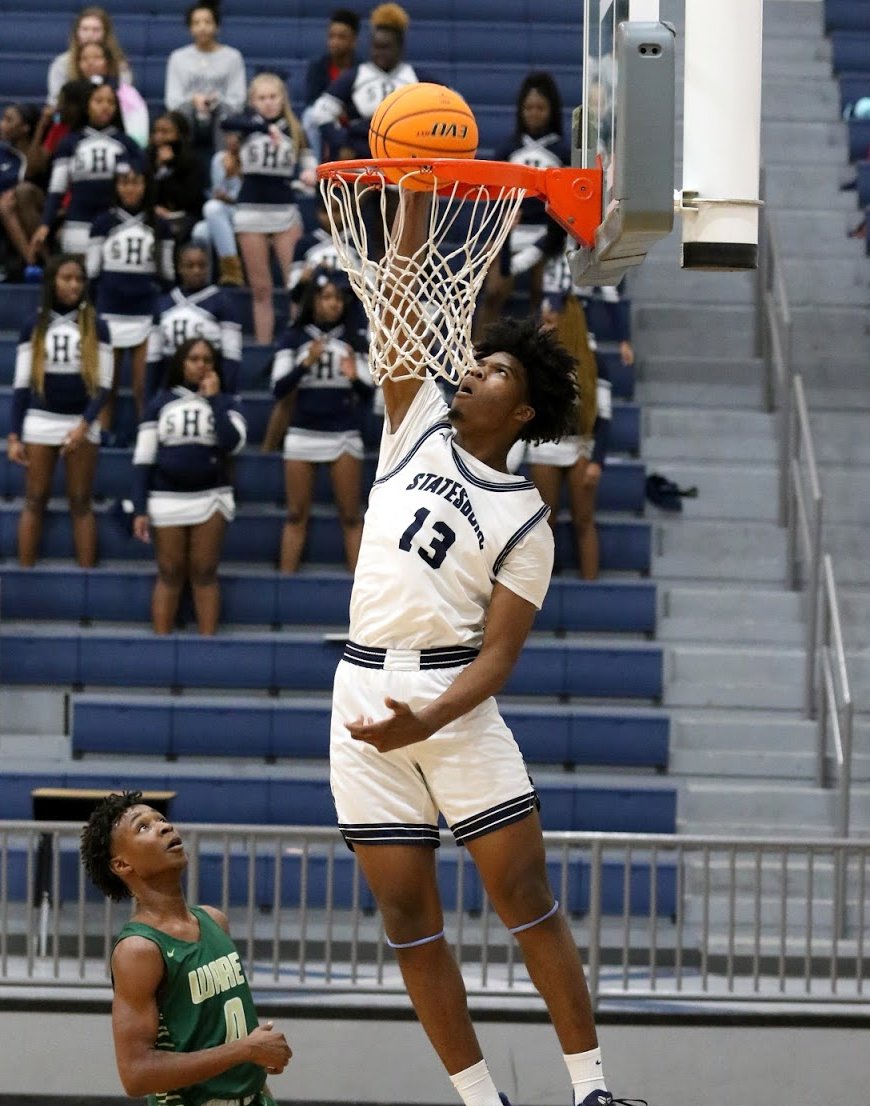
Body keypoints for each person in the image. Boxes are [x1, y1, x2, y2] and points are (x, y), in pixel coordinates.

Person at [328, 190, 630, 1106]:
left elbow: (499, 659)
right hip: (359, 693)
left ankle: (590, 1091)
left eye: (494, 369)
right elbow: (401, 299)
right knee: (408, 920)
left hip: (455, 705)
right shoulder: (414, 419)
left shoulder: (525, 517)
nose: (472, 373)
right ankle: (480, 1101)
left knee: (523, 896)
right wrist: (415, 197)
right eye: (476, 360)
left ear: (524, 404)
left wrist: (431, 713)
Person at [79, 790, 292, 1105]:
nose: (165, 827)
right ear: (122, 864)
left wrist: (255, 1058)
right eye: (143, 827)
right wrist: (245, 1050)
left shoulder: (214, 920)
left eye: (162, 820)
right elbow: (135, 1074)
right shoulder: (139, 950)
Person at [132, 337, 246, 635]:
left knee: (205, 572)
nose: (200, 365)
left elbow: (232, 444)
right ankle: (161, 648)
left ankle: (207, 649)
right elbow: (143, 460)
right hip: (166, 497)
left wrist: (214, 400)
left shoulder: (228, 402)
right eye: (194, 358)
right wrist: (140, 508)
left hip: (211, 498)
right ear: (181, 363)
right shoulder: (160, 403)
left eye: (207, 360)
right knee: (169, 573)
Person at [7, 254, 112, 567]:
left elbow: (103, 385)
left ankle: (87, 579)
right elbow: (22, 385)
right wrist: (14, 435)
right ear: (52, 281)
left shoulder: (98, 326)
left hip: (81, 421)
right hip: (41, 420)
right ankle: (25, 572)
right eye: (67, 278)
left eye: (79, 279)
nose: (74, 285)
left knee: (80, 502)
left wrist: (84, 426)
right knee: (35, 498)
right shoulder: (34, 325)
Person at [271, 268, 370, 573]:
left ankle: (360, 590)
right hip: (302, 432)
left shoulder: (354, 339)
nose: (334, 304)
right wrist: (305, 364)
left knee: (351, 515)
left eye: (339, 299)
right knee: (296, 514)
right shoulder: (294, 336)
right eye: (327, 297)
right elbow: (278, 387)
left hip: (343, 433)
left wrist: (354, 378)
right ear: (313, 300)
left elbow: (368, 393)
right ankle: (284, 590)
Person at [221, 73, 316, 345]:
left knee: (295, 285)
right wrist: (262, 127)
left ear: (282, 98)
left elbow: (310, 164)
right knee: (261, 289)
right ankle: (264, 346)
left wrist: (310, 175)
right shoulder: (247, 127)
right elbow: (226, 122)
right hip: (251, 212)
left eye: (273, 97)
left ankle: (295, 342)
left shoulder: (295, 130)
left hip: (284, 210)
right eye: (262, 98)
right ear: (253, 101)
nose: (268, 103)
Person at [475, 72, 572, 338]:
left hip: (548, 234)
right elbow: (493, 197)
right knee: (494, 291)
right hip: (512, 230)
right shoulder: (508, 150)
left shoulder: (563, 152)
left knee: (543, 296)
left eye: (540, 108)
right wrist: (495, 234)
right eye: (528, 108)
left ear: (551, 110)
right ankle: (476, 352)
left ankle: (541, 357)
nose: (534, 114)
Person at [526, 291, 612, 580]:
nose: (545, 326)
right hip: (545, 446)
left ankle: (592, 589)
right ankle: (538, 593)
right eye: (543, 321)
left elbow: (604, 417)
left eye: (551, 321)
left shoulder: (592, 362)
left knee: (584, 520)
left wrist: (597, 461)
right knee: (543, 523)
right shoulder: (536, 361)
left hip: (580, 446)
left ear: (569, 322)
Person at [87, 162, 175, 430]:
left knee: (142, 386)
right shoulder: (103, 223)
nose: (130, 188)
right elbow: (92, 270)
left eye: (136, 182)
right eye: (124, 182)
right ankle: (103, 435)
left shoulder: (160, 225)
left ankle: (144, 436)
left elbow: (168, 273)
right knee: (106, 385)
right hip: (110, 310)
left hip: (145, 312)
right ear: (116, 186)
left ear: (146, 185)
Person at [309, 2, 438, 162]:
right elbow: (321, 112)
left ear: (400, 47)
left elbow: (453, 102)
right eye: (376, 47)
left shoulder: (416, 77)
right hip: (362, 148)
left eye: (386, 47)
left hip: (407, 148)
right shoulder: (357, 75)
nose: (380, 53)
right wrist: (341, 142)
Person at [31, 81, 142, 259]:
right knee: (78, 270)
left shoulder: (127, 144)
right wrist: (45, 224)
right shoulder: (69, 143)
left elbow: (139, 186)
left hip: (115, 218)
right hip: (79, 217)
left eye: (111, 102)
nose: (105, 107)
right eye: (98, 101)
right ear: (87, 105)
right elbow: (57, 189)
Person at [146, 242, 242, 398]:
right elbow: (153, 357)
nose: (196, 271)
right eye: (190, 265)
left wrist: (230, 394)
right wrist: (150, 397)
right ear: (179, 268)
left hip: (208, 387)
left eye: (201, 265)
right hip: (170, 387)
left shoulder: (222, 302)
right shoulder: (163, 303)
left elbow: (232, 355)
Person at [164, 2, 247, 171]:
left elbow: (238, 100)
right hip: (189, 116)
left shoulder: (232, 57)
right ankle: (182, 170)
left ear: (217, 26)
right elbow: (172, 101)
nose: (202, 27)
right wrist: (193, 101)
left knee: (226, 114)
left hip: (221, 117)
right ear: (190, 28)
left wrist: (217, 100)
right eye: (197, 23)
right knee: (180, 115)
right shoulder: (178, 57)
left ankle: (223, 171)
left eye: (207, 22)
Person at [300, 8, 361, 162]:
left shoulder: (362, 69)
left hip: (354, 123)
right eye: (331, 36)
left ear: (353, 40)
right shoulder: (318, 67)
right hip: (328, 119)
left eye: (341, 37)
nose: (335, 42)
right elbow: (312, 101)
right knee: (310, 116)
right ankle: (317, 165)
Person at [47, 6, 132, 107]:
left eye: (96, 30)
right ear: (77, 33)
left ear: (105, 34)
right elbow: (55, 101)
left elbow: (125, 100)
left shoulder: (119, 65)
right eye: (85, 29)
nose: (89, 35)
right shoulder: (62, 63)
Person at [191, 132, 243, 286]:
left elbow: (248, 198)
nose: (231, 140)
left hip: (247, 213)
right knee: (200, 232)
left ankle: (232, 272)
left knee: (212, 208)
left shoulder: (251, 159)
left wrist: (236, 175)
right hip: (225, 213)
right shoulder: (220, 159)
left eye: (236, 137)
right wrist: (227, 176)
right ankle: (205, 283)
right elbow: (218, 192)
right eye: (228, 136)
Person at [146, 111, 206, 244]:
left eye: (166, 132)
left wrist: (168, 168)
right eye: (156, 132)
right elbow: (143, 194)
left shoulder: (193, 161)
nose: (159, 137)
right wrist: (159, 169)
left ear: (180, 134)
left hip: (185, 215)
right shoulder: (147, 158)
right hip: (154, 214)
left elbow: (188, 199)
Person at [0, 102, 41, 280]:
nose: (1, 124)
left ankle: (34, 262)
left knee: (10, 203)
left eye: (8, 120)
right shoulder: (2, 153)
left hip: (26, 215)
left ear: (25, 128)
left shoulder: (35, 158)